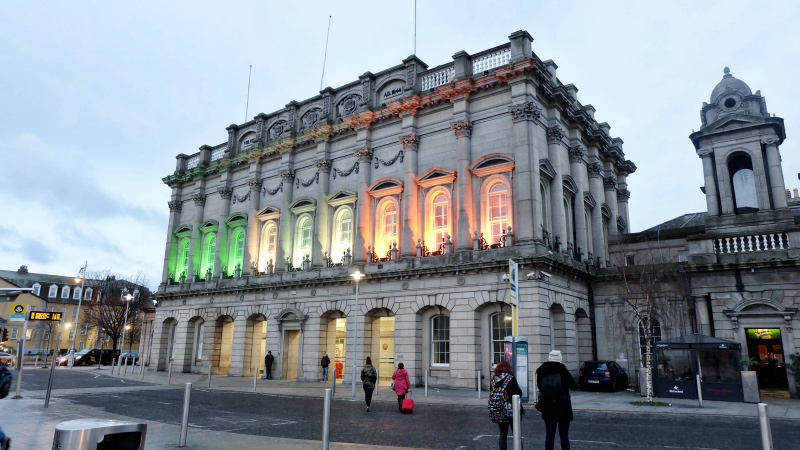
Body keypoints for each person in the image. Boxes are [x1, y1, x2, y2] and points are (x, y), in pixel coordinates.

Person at [536, 350, 578, 450]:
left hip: (548, 406)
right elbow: (574, 387)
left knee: (549, 436)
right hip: (563, 407)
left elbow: (539, 386)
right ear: (560, 358)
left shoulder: (542, 371)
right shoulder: (563, 370)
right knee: (564, 436)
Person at [490, 360, 523, 450]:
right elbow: (519, 393)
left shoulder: (493, 379)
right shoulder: (510, 378)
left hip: (499, 411)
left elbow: (491, 393)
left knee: (503, 435)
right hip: (512, 411)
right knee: (517, 434)